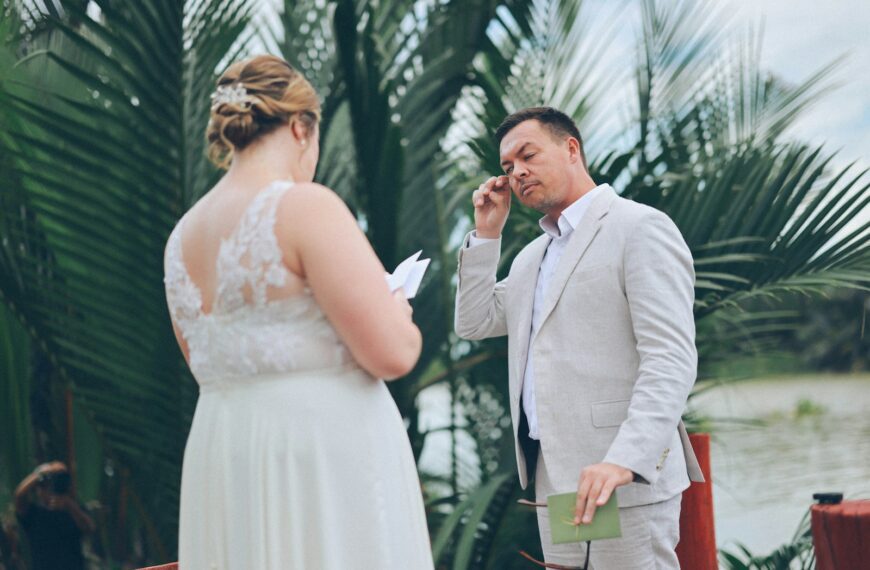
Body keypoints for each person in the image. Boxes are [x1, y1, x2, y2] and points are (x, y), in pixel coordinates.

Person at [163, 54, 433, 569]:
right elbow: (393, 354)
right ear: (300, 128)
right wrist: (395, 302)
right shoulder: (304, 206)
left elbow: (205, 362)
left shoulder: (181, 237)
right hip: (315, 456)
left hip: (225, 451)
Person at [454, 107, 704, 568]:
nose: (517, 172)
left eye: (527, 155)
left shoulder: (639, 227)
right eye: (507, 166)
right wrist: (487, 235)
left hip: (620, 476)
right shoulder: (531, 256)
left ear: (571, 149)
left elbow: (669, 358)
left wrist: (625, 459)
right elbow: (474, 322)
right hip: (560, 479)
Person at [14, 461, 95, 570]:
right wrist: (41, 474)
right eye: (44, 486)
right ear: (38, 490)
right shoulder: (33, 514)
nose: (49, 490)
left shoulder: (74, 511)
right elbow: (19, 496)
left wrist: (68, 503)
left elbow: (89, 528)